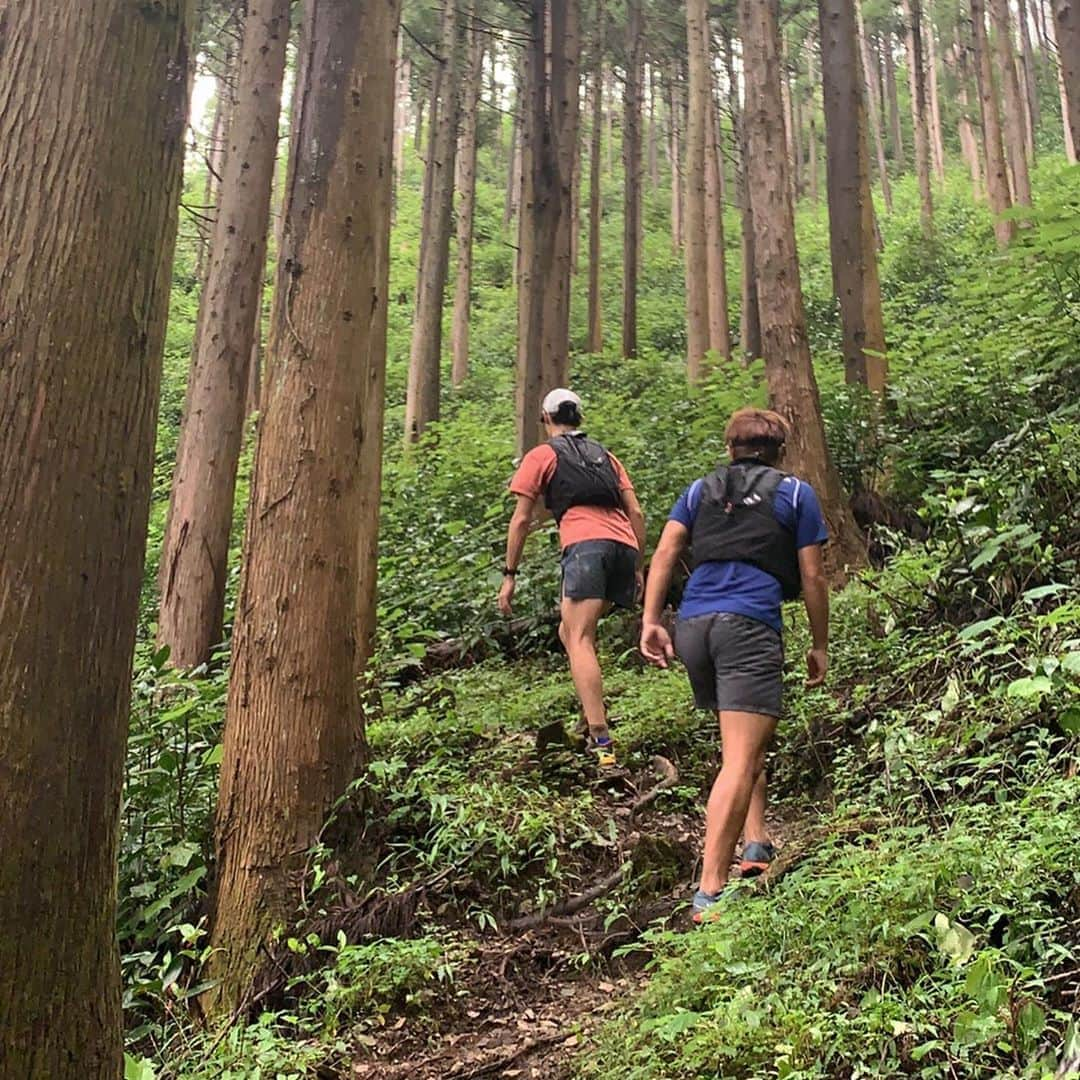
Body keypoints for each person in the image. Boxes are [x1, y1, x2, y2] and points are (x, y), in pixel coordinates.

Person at [639, 407, 830, 921]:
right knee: (741, 758)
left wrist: (651, 620)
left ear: (730, 449)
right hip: (747, 625)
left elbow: (664, 553)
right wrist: (819, 642)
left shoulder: (701, 490)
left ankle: (756, 843)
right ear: (781, 452)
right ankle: (709, 890)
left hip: (696, 626)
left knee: (742, 746)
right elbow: (812, 576)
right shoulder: (794, 494)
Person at [499, 389, 646, 767]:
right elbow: (635, 511)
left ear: (545, 417)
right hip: (623, 547)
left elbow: (520, 519)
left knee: (578, 637)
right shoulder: (606, 457)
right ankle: (589, 714)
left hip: (586, 548)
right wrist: (638, 565)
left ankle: (601, 743)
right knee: (573, 633)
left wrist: (509, 574)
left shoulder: (542, 455)